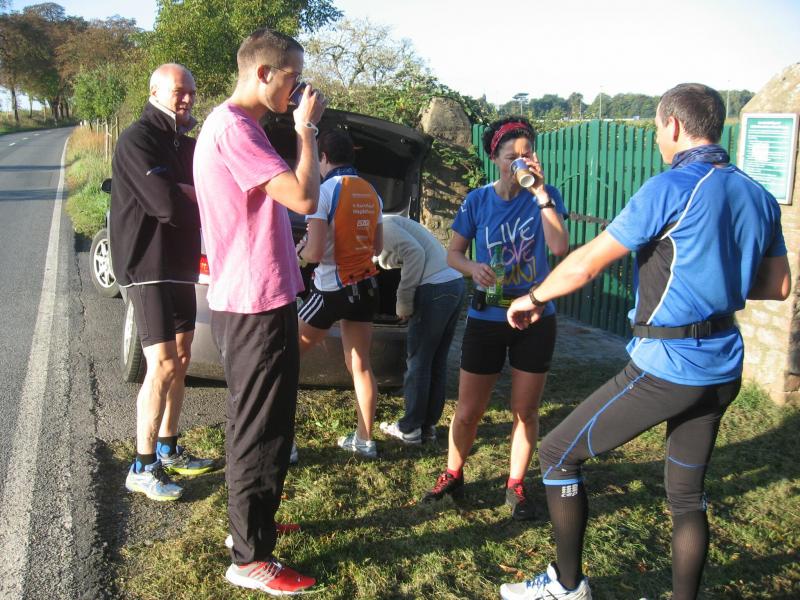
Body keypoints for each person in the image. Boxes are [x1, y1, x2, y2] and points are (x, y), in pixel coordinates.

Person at [500, 84, 791, 600]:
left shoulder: (670, 187)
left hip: (667, 366)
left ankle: (566, 586)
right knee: (687, 496)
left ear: (673, 125)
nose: (658, 138)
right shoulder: (758, 193)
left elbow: (588, 262)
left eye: (657, 128)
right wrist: (716, 273)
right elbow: (779, 285)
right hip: (723, 366)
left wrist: (535, 297)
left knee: (558, 452)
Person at [192, 28, 326, 595]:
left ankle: (252, 528)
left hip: (255, 296)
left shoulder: (238, 127)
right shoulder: (234, 128)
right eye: (293, 77)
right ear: (264, 73)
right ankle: (249, 558)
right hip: (253, 302)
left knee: (265, 422)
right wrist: (307, 131)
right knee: (259, 429)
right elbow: (304, 198)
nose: (298, 89)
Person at [421, 117, 569, 520]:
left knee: (526, 410)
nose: (519, 162)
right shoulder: (477, 201)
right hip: (487, 316)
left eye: (526, 154)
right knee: (468, 410)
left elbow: (559, 247)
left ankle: (515, 484)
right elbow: (453, 254)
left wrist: (541, 194)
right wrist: (473, 269)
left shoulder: (546, 196)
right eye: (510, 156)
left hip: (536, 317)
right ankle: (454, 474)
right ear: (495, 159)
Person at [112, 63, 214, 502]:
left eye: (192, 90)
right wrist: (188, 194)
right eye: (179, 91)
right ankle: (142, 464)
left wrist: (189, 192)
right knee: (163, 364)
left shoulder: (187, 145)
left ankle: (169, 448)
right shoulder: (137, 139)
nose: (188, 98)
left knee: (183, 358)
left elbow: (210, 192)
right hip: (147, 265)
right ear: (154, 92)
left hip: (180, 263)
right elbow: (166, 205)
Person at [297, 128, 383, 458]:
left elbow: (315, 253)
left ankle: (284, 442)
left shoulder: (324, 192)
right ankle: (365, 440)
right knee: (360, 364)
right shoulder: (371, 192)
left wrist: (299, 253)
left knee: (286, 356)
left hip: (331, 289)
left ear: (323, 158)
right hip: (365, 286)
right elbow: (378, 247)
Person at [376, 214, 465, 444]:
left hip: (435, 288)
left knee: (419, 362)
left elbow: (414, 253)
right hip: (454, 284)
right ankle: (427, 426)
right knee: (436, 360)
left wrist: (403, 302)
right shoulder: (393, 222)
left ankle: (410, 428)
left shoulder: (382, 225)